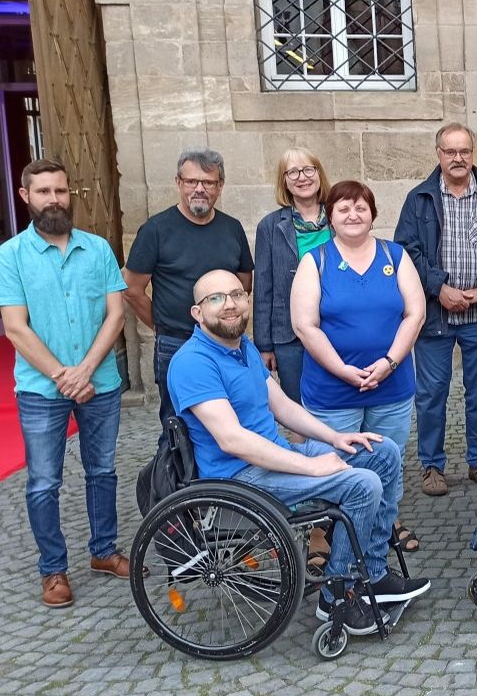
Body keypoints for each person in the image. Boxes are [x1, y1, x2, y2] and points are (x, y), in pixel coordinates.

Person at [167, 269, 431, 636]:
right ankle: (338, 595)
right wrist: (310, 465)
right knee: (363, 485)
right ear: (197, 312)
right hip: (238, 478)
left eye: (236, 294)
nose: (229, 304)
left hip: (273, 457)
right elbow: (232, 441)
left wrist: (335, 438)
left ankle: (372, 572)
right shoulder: (193, 362)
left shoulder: (242, 347)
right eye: (216, 298)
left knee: (381, 451)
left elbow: (284, 407)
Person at [0, 159, 130, 608]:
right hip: (40, 389)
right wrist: (63, 376)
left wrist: (86, 370)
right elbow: (16, 327)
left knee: (103, 471)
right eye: (44, 191)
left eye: (61, 191)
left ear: (71, 194)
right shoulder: (11, 256)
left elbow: (116, 315)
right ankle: (53, 570)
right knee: (44, 482)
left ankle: (104, 552)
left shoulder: (99, 249)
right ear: (25, 195)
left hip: (101, 382)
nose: (54, 199)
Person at [291, 180, 426, 553]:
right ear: (330, 217)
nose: (353, 215)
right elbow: (305, 325)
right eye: (344, 209)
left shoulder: (394, 256)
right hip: (333, 391)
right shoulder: (314, 261)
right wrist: (341, 370)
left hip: (391, 386)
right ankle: (321, 535)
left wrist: (389, 362)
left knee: (387, 462)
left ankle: (382, 527)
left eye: (361, 208)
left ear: (373, 214)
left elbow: (415, 313)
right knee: (328, 464)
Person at [394, 122, 477, 497]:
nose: (458, 158)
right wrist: (439, 287)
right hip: (435, 315)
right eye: (450, 152)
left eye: (464, 151)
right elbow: (407, 250)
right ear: (438, 154)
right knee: (431, 392)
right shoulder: (420, 199)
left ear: (473, 153)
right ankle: (432, 466)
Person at [122, 149, 254, 425]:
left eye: (208, 182)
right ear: (178, 183)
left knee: (234, 420)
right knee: (179, 427)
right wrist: (160, 326)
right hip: (176, 344)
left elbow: (244, 282)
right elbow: (132, 289)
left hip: (225, 342)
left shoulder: (232, 228)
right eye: (192, 181)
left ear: (220, 186)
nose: (200, 189)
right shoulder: (156, 230)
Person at [253, 147, 332, 405]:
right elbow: (263, 287)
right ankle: (303, 448)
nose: (302, 177)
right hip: (289, 336)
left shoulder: (339, 216)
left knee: (338, 401)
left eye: (308, 169)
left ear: (319, 174)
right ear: (284, 181)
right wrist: (264, 345)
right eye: (293, 172)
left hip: (336, 326)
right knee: (298, 407)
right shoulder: (270, 226)